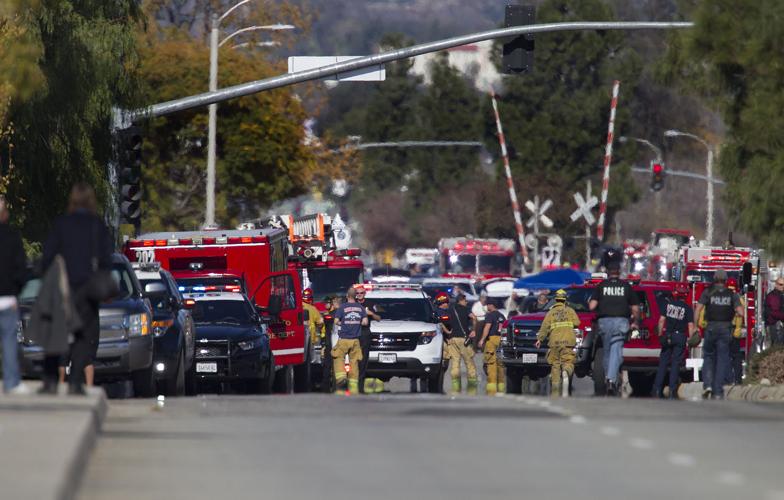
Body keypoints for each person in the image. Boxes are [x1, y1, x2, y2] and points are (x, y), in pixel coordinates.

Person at [41, 183, 112, 395]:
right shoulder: (96, 225)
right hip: (87, 288)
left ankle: (52, 379)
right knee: (83, 334)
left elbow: (48, 255)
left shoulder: (62, 224)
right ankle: (74, 382)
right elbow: (106, 260)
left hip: (64, 287)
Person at [588, 262, 640, 396]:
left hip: (605, 322)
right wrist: (635, 322)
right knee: (616, 351)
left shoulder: (602, 286)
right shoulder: (626, 286)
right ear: (619, 272)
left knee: (607, 351)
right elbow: (635, 308)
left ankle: (608, 378)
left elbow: (592, 306)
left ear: (608, 272)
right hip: (621, 322)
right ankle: (611, 379)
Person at [693, 269, 744, 400]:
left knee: (708, 357)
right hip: (726, 329)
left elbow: (698, 309)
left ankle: (708, 385)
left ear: (714, 279)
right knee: (722, 359)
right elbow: (741, 311)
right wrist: (736, 314)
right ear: (726, 280)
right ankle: (718, 390)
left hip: (710, 328)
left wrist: (695, 327)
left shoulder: (708, 292)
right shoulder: (732, 294)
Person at [0, 196, 30, 394]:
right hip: (7, 297)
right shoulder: (12, 236)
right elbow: (22, 270)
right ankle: (11, 381)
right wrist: (16, 292)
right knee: (9, 341)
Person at [535, 289, 580, 397]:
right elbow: (577, 323)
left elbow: (544, 328)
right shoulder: (570, 311)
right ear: (565, 299)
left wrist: (539, 340)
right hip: (568, 341)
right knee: (568, 361)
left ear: (556, 299)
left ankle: (555, 389)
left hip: (554, 342)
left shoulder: (550, 313)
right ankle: (566, 371)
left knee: (555, 365)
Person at [652, 284, 694, 399]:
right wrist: (690, 340)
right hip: (680, 336)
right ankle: (672, 390)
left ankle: (657, 389)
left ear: (675, 293)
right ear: (686, 294)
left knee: (663, 364)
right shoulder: (688, 308)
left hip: (668, 335)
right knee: (675, 364)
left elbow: (661, 321)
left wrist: (660, 335)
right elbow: (690, 326)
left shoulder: (668, 305)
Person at [332, 286, 367, 394]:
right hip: (355, 341)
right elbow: (365, 322)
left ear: (347, 296)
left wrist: (343, 323)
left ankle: (341, 378)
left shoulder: (342, 307)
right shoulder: (360, 308)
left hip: (343, 340)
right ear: (355, 296)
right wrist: (357, 323)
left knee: (338, 357)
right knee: (354, 362)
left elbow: (336, 321)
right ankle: (353, 384)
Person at [447, 293, 478, 395]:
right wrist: (473, 330)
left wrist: (448, 334)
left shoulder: (450, 309)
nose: (466, 302)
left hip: (452, 339)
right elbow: (474, 317)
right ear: (461, 300)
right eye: (465, 300)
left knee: (455, 363)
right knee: (470, 364)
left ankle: (456, 389)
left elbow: (445, 322)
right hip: (464, 339)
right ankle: (472, 389)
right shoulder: (466, 309)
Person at [354, 284, 381, 393]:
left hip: (365, 332)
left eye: (361, 293)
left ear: (365, 294)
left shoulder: (371, 303)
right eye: (357, 293)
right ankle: (352, 384)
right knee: (354, 360)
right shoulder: (352, 304)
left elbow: (379, 317)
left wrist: (370, 313)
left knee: (363, 360)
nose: (359, 295)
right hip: (353, 332)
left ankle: (360, 387)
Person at [477, 302, 506, 396]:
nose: (486, 307)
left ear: (491, 305)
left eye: (487, 305)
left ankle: (492, 390)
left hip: (492, 340)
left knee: (491, 364)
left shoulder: (490, 315)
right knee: (500, 365)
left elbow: (487, 327)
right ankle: (501, 388)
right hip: (501, 340)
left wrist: (482, 340)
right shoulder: (502, 316)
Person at [765, 278, 784, 346]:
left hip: (776, 325)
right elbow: (774, 312)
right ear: (776, 285)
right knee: (777, 348)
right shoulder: (774, 296)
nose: (783, 286)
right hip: (775, 326)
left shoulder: (779, 295)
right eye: (781, 284)